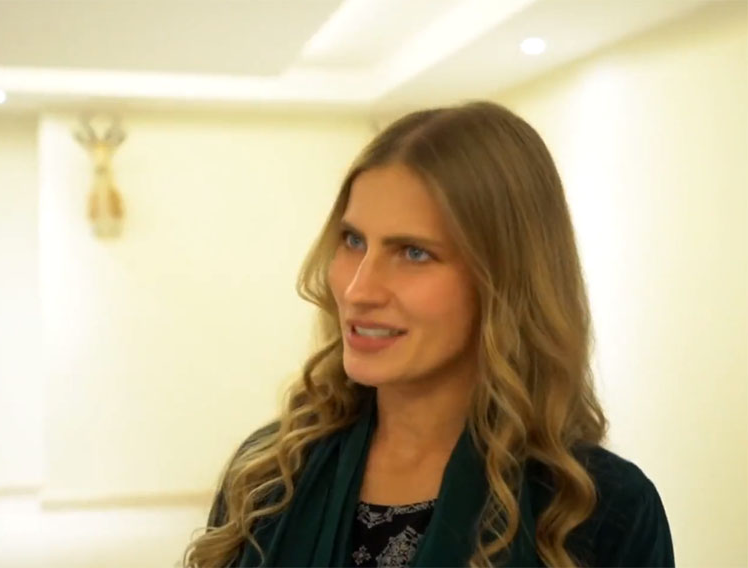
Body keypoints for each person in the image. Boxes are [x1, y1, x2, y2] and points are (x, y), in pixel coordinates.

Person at [183, 101, 674, 567]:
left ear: (504, 280)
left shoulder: (601, 511)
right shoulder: (268, 476)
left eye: (413, 252)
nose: (357, 290)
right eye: (353, 241)